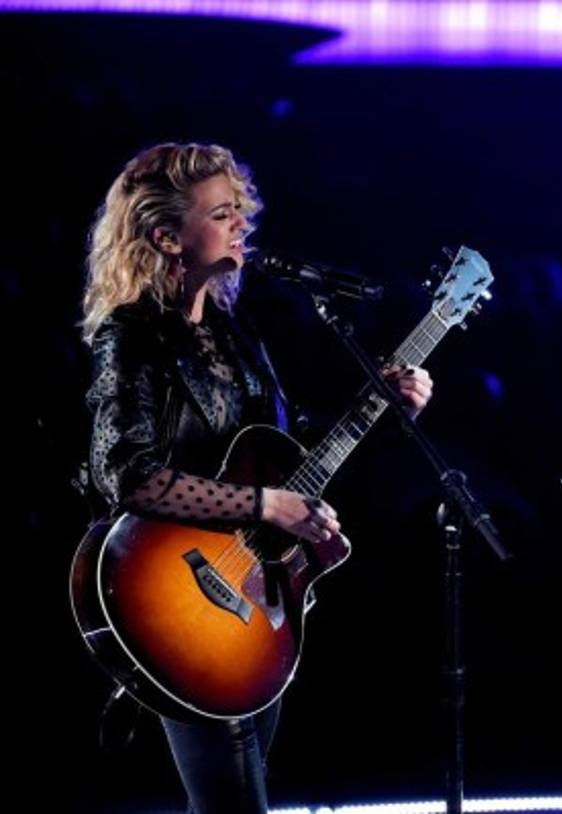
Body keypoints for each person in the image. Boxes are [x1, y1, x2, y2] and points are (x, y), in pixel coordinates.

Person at [82, 142, 433, 813]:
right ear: (167, 236)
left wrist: (378, 408)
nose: (242, 224)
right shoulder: (130, 337)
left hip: (248, 597)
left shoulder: (236, 337)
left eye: (242, 211)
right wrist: (267, 504)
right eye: (222, 213)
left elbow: (285, 453)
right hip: (173, 594)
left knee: (234, 796)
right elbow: (125, 474)